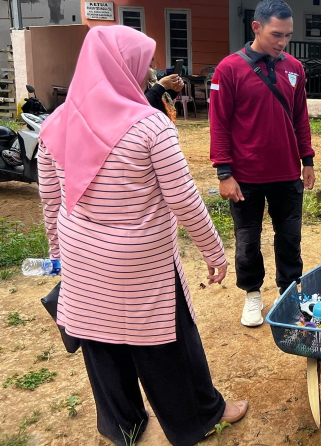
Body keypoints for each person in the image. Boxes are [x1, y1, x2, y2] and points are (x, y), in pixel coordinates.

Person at [37, 25, 248, 446]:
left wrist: (58, 254)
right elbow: (184, 199)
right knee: (167, 341)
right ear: (122, 67)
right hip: (141, 262)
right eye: (143, 65)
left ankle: (123, 425)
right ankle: (198, 418)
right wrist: (214, 251)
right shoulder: (151, 127)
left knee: (99, 339)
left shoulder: (56, 123)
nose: (148, 74)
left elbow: (50, 200)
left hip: (81, 256)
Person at [210, 0, 315, 328]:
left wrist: (307, 159)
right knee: (247, 241)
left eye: (288, 35)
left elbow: (300, 117)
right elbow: (219, 123)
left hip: (287, 173)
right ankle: (252, 294)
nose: (282, 42)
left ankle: (289, 292)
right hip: (246, 177)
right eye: (276, 35)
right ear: (256, 27)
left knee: (290, 238)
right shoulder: (229, 69)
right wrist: (224, 173)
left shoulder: (294, 69)